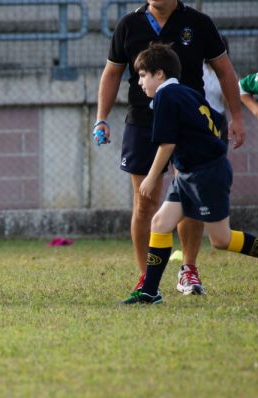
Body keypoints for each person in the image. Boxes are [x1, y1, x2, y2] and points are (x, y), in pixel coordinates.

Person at [95, 0, 245, 296]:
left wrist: (237, 117)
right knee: (145, 204)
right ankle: (146, 279)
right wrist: (101, 119)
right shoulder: (128, 24)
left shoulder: (199, 22)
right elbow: (112, 73)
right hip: (142, 123)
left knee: (191, 200)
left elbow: (225, 70)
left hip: (189, 126)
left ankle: (188, 269)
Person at [121, 43, 258, 304]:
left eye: (142, 75)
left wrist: (151, 177)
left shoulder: (165, 96)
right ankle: (149, 291)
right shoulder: (187, 92)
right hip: (189, 172)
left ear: (159, 74)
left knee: (221, 239)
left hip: (205, 174)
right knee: (160, 224)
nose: (139, 82)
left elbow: (167, 143)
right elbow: (212, 124)